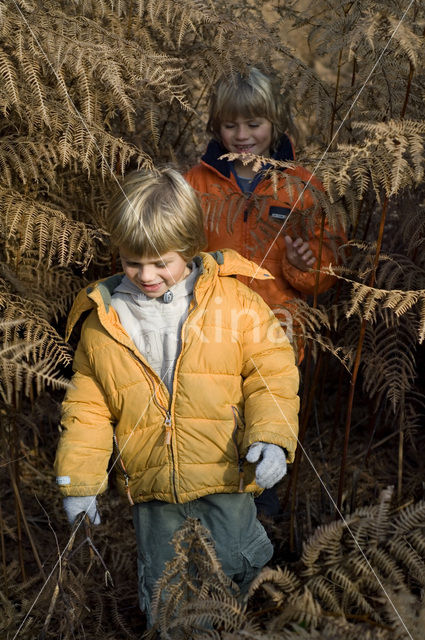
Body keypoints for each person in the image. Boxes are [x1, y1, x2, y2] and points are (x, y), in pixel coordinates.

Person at [54, 167, 300, 627]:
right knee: (167, 588)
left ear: (189, 248)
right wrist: (80, 481)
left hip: (225, 471)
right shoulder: (104, 320)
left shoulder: (235, 302)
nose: (146, 275)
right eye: (132, 262)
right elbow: (87, 406)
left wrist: (272, 435)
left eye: (161, 262)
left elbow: (271, 370)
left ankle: (240, 628)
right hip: (154, 492)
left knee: (234, 570)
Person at [185, 67, 343, 517]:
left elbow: (327, 271)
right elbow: (175, 254)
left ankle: (261, 536)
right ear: (216, 127)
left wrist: (306, 265)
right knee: (213, 432)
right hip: (210, 336)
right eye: (231, 125)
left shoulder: (304, 187)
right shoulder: (194, 185)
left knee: (265, 434)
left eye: (253, 124)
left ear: (274, 122)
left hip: (277, 335)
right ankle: (210, 524)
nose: (242, 135)